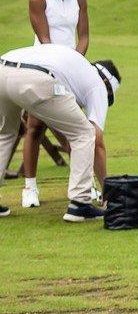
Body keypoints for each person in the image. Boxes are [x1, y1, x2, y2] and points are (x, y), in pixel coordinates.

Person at [0, 43, 119, 222]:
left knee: (4, 134)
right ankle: (80, 203)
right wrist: (107, 191)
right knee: (85, 134)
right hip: (35, 78)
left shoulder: (76, 68)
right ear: (107, 85)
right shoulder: (98, 85)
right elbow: (97, 141)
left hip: (3, 68)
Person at [20, 0, 90, 208]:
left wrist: (75, 62)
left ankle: (84, 185)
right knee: (35, 126)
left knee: (75, 128)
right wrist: (61, 66)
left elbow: (83, 36)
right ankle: (30, 188)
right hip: (42, 67)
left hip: (70, 68)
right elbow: (45, 39)